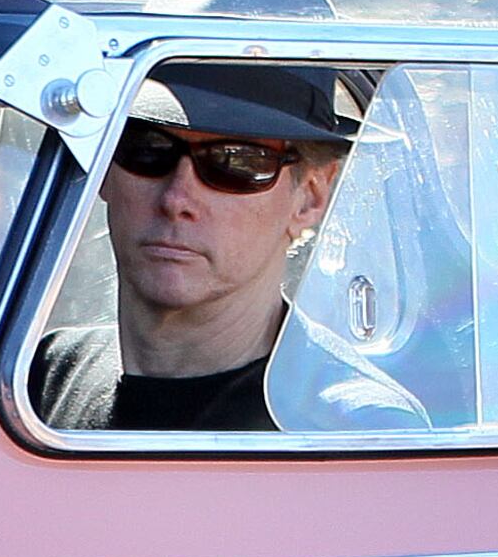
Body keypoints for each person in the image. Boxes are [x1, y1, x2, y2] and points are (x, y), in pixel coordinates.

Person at [30, 62, 366, 433]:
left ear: (310, 199)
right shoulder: (45, 377)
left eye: (236, 161)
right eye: (147, 147)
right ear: (103, 168)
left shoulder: (352, 428)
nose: (177, 199)